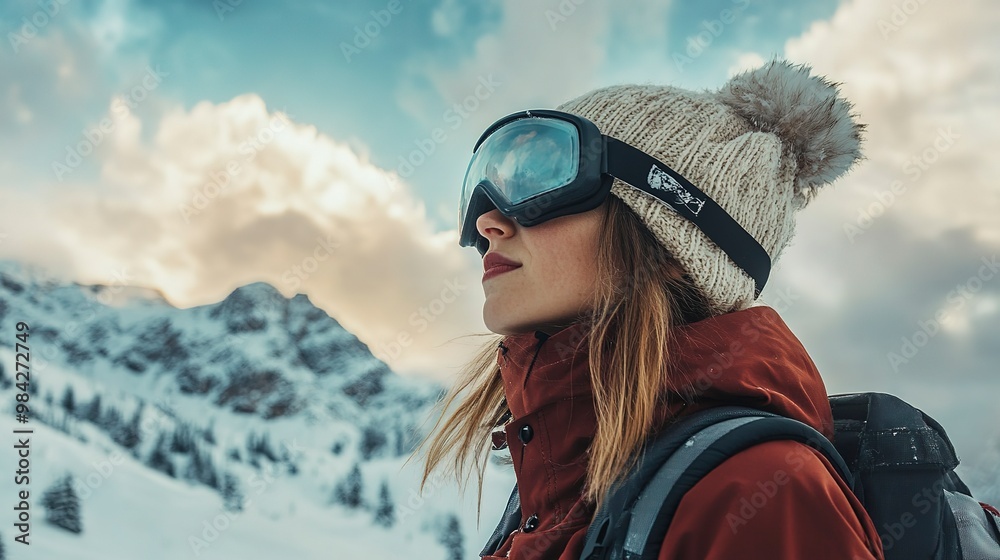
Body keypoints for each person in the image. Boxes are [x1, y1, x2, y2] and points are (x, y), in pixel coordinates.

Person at [416, 58, 886, 559]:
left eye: (541, 181)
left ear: (671, 252)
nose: (488, 220)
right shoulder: (561, 485)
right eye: (483, 188)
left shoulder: (757, 493)